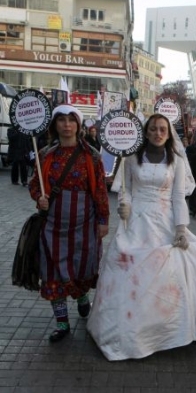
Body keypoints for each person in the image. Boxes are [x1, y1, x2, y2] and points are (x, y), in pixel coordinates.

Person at [87, 114, 196, 361]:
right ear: (146, 131)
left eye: (162, 129)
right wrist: (124, 205)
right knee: (129, 268)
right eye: (153, 129)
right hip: (135, 220)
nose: (158, 133)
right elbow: (127, 189)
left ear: (168, 132)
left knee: (168, 271)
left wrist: (181, 228)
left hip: (164, 220)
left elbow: (177, 197)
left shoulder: (177, 162)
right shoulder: (132, 157)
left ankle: (162, 329)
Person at [28, 104, 109, 342]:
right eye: (61, 120)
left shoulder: (91, 156)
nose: (66, 125)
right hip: (52, 225)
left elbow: (101, 192)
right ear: (55, 125)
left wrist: (103, 220)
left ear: (79, 125)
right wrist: (39, 197)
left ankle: (82, 299)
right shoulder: (45, 155)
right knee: (53, 271)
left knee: (82, 268)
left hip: (84, 224)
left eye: (71, 120)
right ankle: (62, 323)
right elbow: (34, 184)